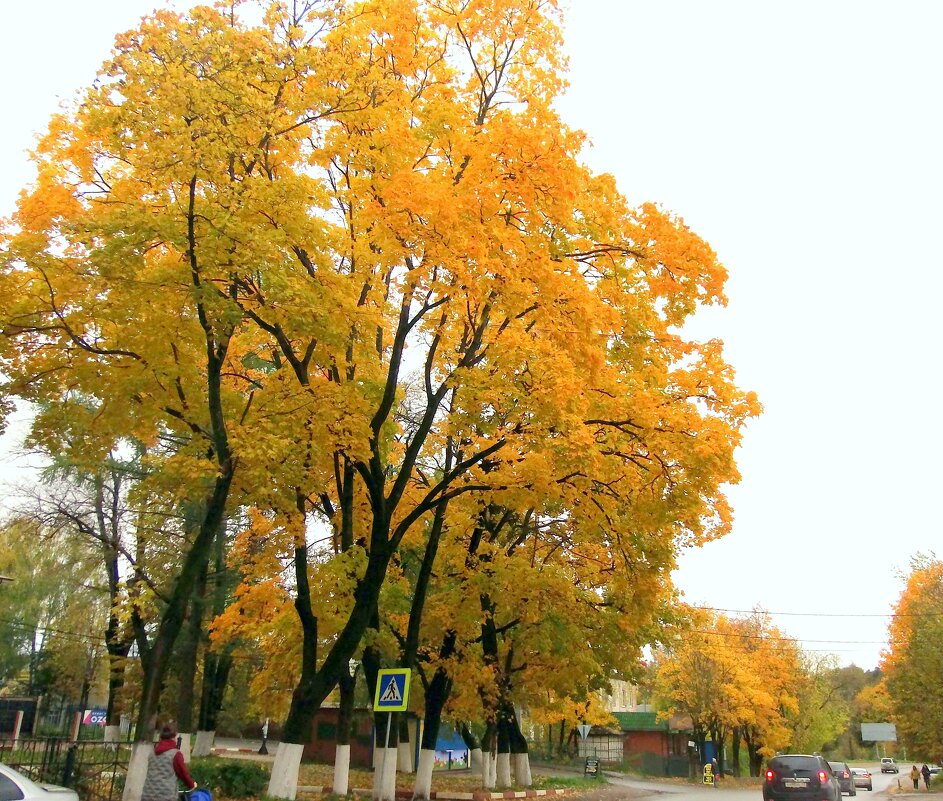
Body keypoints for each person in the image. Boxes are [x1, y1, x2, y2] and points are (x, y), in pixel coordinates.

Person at [141, 724, 197, 801]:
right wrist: (192, 785)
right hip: (166, 796)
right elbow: (183, 773)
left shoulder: (153, 752)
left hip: (147, 795)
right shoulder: (175, 754)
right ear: (174, 737)